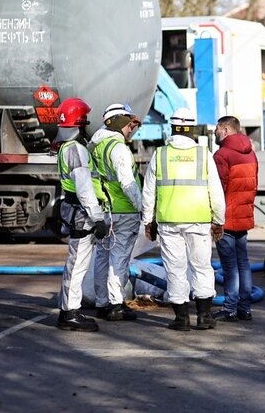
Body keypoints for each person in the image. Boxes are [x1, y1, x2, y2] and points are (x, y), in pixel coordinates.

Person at [141, 107, 226, 331]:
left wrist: (148, 222)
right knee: (202, 267)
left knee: (175, 269)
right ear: (192, 128)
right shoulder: (204, 155)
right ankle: (205, 316)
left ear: (172, 127)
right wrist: (219, 220)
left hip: (169, 222)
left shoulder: (160, 155)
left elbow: (148, 192)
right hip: (199, 221)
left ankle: (181, 319)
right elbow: (216, 192)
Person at [55, 97, 109, 332]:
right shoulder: (76, 149)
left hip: (75, 210)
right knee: (77, 264)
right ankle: (70, 313)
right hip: (82, 213)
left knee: (76, 263)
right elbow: (84, 187)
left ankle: (68, 310)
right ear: (81, 122)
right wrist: (97, 217)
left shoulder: (66, 147)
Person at [90, 103, 143, 322]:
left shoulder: (97, 146)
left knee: (102, 257)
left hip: (105, 211)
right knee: (118, 259)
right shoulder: (118, 148)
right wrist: (144, 209)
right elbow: (128, 183)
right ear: (120, 121)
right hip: (123, 212)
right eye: (129, 122)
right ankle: (116, 304)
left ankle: (102, 302)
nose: (132, 127)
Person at [213, 116, 258, 321]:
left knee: (229, 266)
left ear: (226, 130)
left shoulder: (222, 155)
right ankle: (245, 308)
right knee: (244, 263)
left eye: (217, 128)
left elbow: (218, 188)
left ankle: (229, 308)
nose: (214, 132)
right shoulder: (251, 154)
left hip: (226, 218)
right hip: (244, 216)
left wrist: (213, 216)